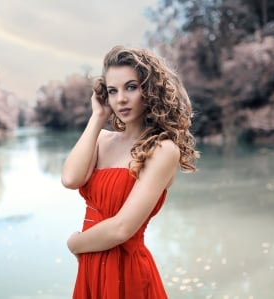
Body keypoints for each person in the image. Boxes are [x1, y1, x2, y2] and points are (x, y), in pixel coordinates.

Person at [61, 45, 199, 298]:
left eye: (131, 87)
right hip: (91, 269)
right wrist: (97, 118)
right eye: (113, 91)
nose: (121, 99)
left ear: (149, 90)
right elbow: (70, 179)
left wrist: (74, 244)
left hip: (127, 274)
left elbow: (121, 229)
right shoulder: (101, 139)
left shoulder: (163, 150)